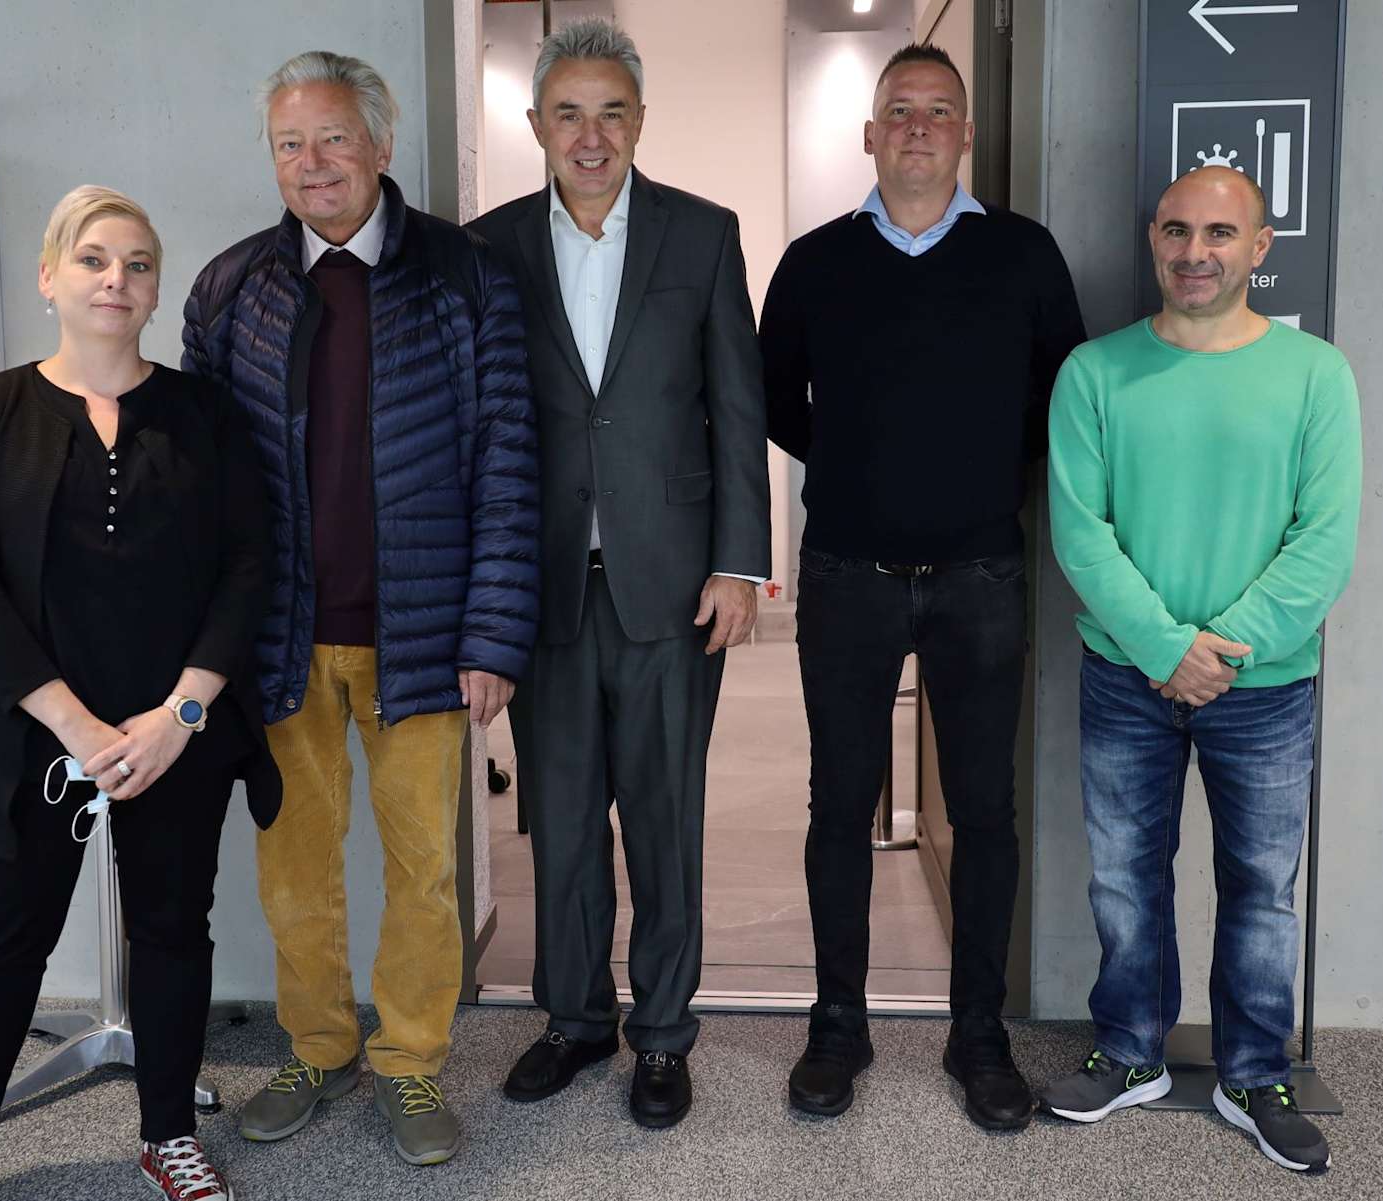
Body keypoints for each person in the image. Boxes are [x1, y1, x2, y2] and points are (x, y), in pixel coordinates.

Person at [182, 50, 537, 1167]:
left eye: (333, 138)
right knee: (295, 866)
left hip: (421, 639)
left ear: (382, 147)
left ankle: (413, 1063)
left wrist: (491, 635)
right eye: (290, 144)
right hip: (282, 638)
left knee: (425, 863)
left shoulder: (466, 276)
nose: (312, 163)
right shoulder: (233, 286)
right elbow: (198, 469)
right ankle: (319, 1044)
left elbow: (506, 463)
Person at [0, 186, 277, 1201]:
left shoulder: (205, 412)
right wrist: (74, 726)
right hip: (30, 731)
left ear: (157, 287)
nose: (118, 279)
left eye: (139, 263)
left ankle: (169, 1135)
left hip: (173, 735)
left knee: (170, 927)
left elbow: (249, 566)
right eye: (94, 259)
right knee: (5, 940)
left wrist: (179, 717)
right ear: (49, 274)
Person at [760, 43, 1085, 1130]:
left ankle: (977, 1036)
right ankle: (836, 1026)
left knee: (985, 812)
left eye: (937, 110)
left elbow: (1061, 404)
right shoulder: (812, 263)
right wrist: (861, 466)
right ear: (868, 132)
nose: (916, 127)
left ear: (964, 133)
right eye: (897, 109)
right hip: (847, 574)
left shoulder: (1024, 257)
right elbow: (772, 402)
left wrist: (972, 475)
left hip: (981, 577)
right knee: (837, 807)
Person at [467, 17, 770, 1129]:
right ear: (537, 124)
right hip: (538, 580)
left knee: (662, 811)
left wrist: (741, 561)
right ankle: (575, 1018)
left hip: (672, 577)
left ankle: (663, 1034)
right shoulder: (487, 244)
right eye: (567, 113)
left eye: (611, 112)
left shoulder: (701, 233)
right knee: (557, 810)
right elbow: (475, 428)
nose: (589, 136)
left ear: (640, 121)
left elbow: (736, 407)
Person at [1041, 164, 1361, 1173]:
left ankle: (1253, 1068)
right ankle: (1131, 1050)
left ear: (1259, 248)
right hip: (1125, 676)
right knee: (1123, 882)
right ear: (1152, 238)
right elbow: (1078, 535)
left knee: (1260, 887)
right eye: (1177, 231)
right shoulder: (1093, 373)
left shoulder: (1317, 375)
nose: (1195, 252)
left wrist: (1215, 650)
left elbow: (1326, 542)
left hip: (1263, 690)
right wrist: (1167, 648)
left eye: (1220, 234)